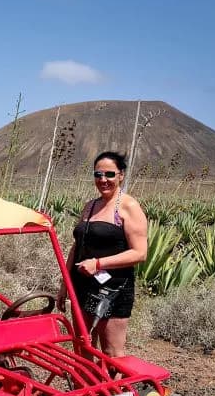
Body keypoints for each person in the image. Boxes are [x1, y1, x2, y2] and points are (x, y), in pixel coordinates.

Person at [56, 151, 148, 357]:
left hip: (112, 289)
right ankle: (86, 388)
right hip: (81, 286)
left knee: (112, 351)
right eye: (98, 174)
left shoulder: (129, 207)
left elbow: (140, 253)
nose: (103, 180)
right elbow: (76, 246)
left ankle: (114, 390)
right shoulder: (91, 206)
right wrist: (65, 283)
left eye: (109, 174)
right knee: (82, 346)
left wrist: (98, 264)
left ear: (121, 175)